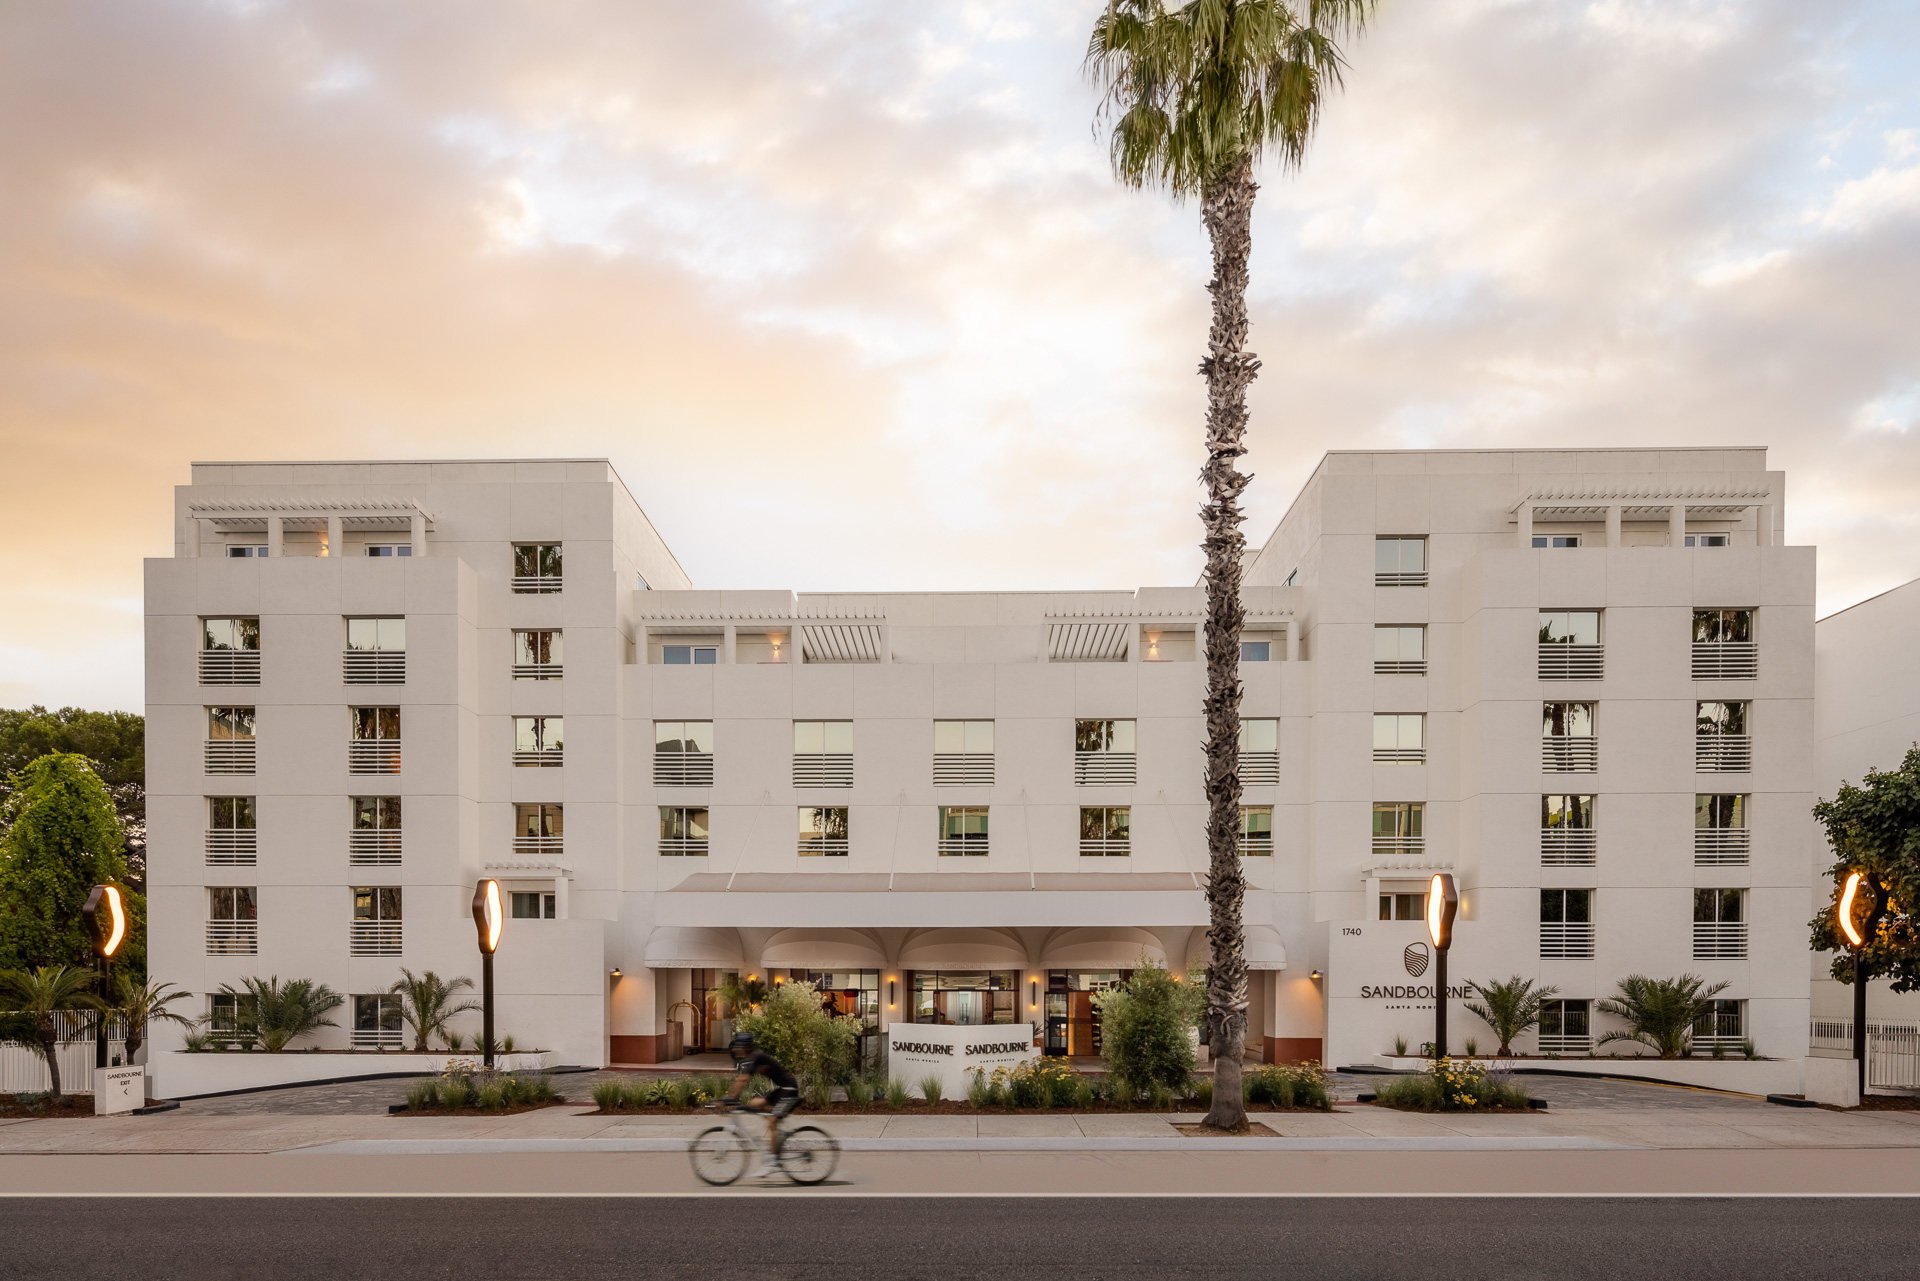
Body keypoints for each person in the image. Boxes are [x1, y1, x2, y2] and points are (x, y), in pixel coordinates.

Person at [724, 1031, 800, 1177]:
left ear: (744, 1046)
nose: (736, 1049)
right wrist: (734, 1098)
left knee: (771, 1121)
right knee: (754, 1103)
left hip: (789, 1089)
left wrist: (729, 1098)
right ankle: (777, 1134)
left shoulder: (756, 1057)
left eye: (738, 1046)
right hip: (781, 1089)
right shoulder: (752, 1058)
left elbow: (743, 1080)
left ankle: (772, 1162)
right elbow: (742, 1080)